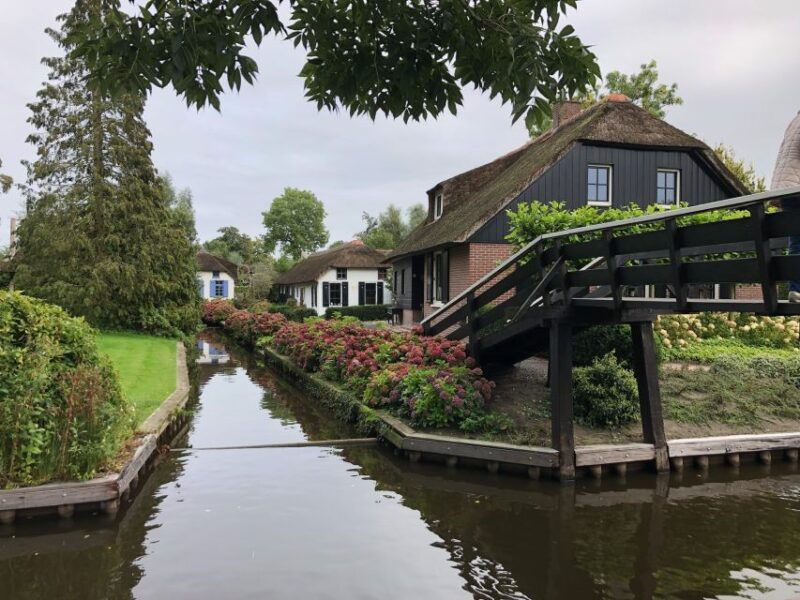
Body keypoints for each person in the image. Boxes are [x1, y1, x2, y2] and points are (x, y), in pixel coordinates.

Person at [771, 110, 800, 302]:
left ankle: (796, 288)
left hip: (786, 189)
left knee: (796, 240)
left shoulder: (794, 120)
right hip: (797, 186)